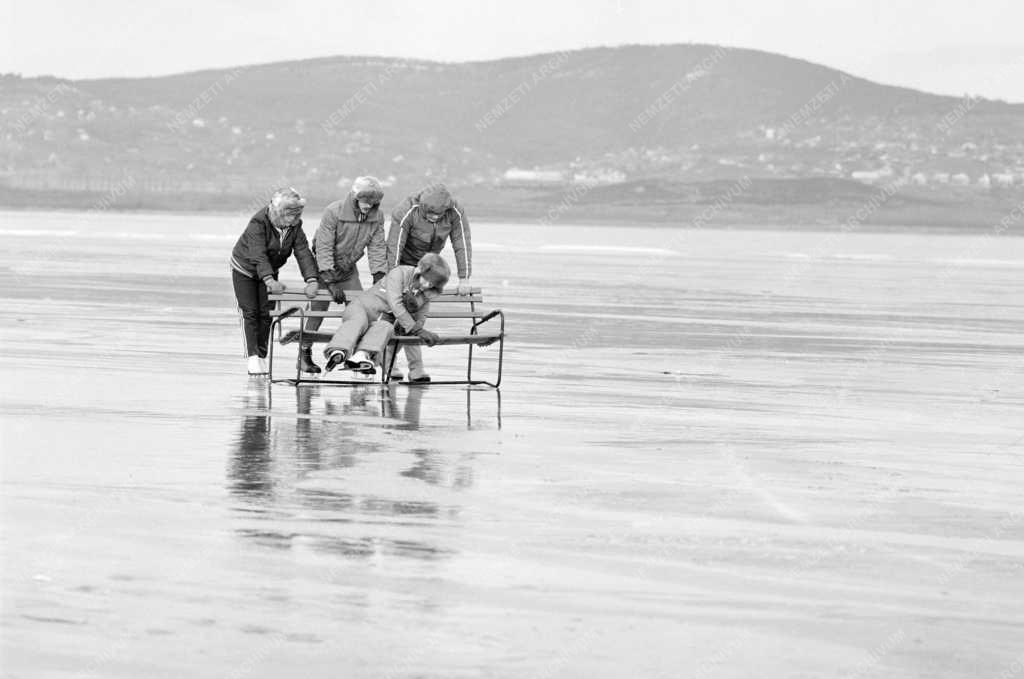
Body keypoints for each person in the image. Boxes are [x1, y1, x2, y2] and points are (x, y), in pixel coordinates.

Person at [294, 176, 388, 374]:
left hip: (347, 271)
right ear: (355, 196)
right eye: (365, 201)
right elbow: (323, 245)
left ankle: (358, 357)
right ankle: (304, 355)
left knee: (362, 311)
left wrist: (379, 277)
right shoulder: (334, 211)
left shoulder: (377, 217)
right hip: (323, 269)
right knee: (317, 312)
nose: (368, 206)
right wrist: (328, 279)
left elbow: (377, 248)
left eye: (373, 202)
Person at [386, 183, 472, 382]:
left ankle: (404, 365)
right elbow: (394, 245)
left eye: (438, 215)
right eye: (430, 214)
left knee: (415, 319)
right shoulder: (406, 210)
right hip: (403, 266)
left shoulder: (455, 211)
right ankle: (397, 364)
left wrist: (464, 277)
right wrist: (394, 277)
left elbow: (461, 242)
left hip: (429, 268)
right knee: (400, 315)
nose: (434, 217)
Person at [231, 187, 319, 375]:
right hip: (245, 269)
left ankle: (262, 356)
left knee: (266, 314)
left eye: (296, 216)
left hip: (270, 271)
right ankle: (252, 357)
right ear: (278, 212)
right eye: (289, 216)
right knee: (250, 312)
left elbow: (303, 252)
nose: (292, 220)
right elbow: (258, 255)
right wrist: (270, 280)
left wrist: (312, 279)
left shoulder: (295, 226)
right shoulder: (258, 222)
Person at [322, 253, 450, 378]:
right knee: (358, 321)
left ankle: (361, 356)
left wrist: (419, 329)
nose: (428, 285)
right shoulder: (399, 273)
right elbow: (395, 304)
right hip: (360, 308)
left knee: (386, 327)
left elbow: (421, 316)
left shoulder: (425, 294)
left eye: (432, 284)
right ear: (421, 272)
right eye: (427, 280)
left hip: (379, 321)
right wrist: (416, 329)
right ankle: (338, 351)